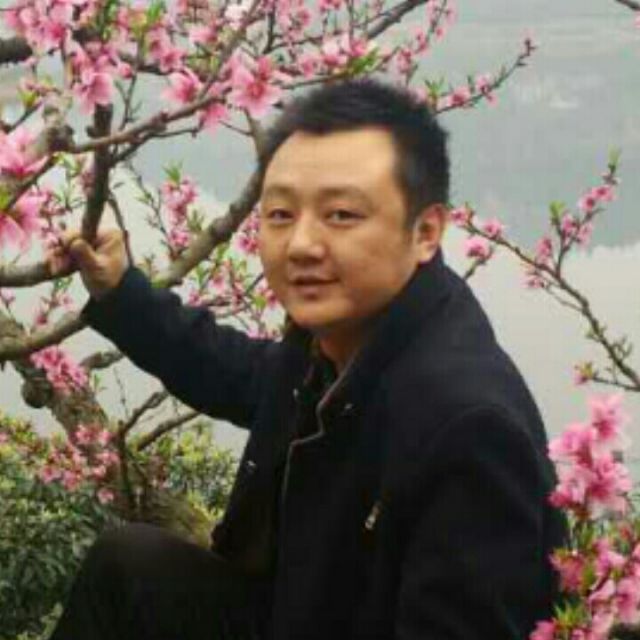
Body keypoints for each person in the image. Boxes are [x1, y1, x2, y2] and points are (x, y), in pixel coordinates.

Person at [47, 78, 566, 640]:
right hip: (295, 611)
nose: (301, 245)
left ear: (426, 231)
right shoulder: (342, 339)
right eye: (280, 214)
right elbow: (238, 372)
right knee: (129, 567)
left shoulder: (468, 426)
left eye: (341, 214)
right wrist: (120, 293)